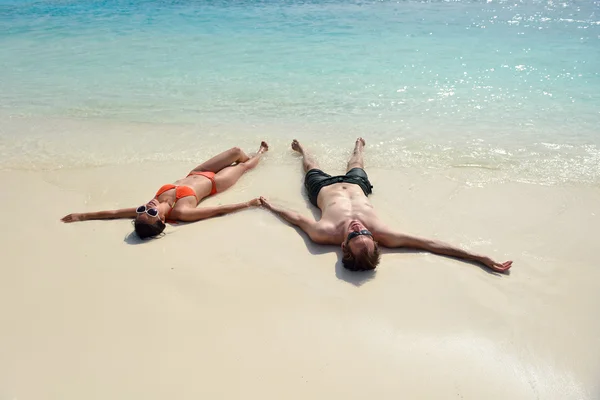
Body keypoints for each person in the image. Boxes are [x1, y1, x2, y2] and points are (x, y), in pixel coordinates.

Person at [259, 138, 512, 273]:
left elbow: (296, 218)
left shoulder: (324, 234)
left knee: (310, 165)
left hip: (322, 188)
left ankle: (303, 150)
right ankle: (358, 146)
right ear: (374, 240)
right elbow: (432, 244)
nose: (359, 228)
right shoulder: (383, 234)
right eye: (365, 234)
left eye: (355, 235)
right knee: (357, 163)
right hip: (356, 185)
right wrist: (479, 257)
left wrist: (270, 205)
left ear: (344, 245)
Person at [61, 142, 269, 238]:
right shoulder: (181, 212)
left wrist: (81, 215)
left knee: (235, 152)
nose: (147, 208)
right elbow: (217, 211)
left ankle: (248, 155)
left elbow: (113, 213)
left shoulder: (148, 208)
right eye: (151, 213)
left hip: (198, 171)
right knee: (243, 166)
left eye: (143, 210)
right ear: (161, 220)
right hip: (216, 184)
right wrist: (248, 204)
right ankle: (261, 154)